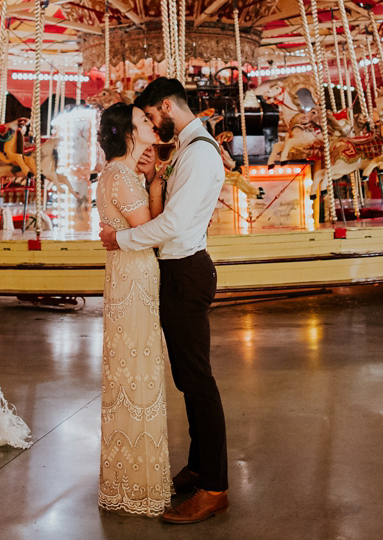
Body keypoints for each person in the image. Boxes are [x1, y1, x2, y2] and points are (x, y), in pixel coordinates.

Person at [100, 77, 229, 524]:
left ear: (167, 105)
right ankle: (198, 466)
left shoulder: (200, 154)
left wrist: (122, 238)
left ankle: (214, 487)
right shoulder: (188, 152)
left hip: (186, 271)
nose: (153, 126)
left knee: (197, 381)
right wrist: (156, 176)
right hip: (176, 271)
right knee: (187, 380)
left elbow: (172, 224)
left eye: (152, 115)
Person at [95, 102, 172, 517]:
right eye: (143, 121)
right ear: (128, 132)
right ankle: (140, 483)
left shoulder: (116, 174)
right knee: (139, 372)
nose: (150, 124)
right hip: (136, 274)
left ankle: (125, 475)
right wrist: (155, 186)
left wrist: (152, 180)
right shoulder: (122, 177)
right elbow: (148, 234)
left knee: (128, 369)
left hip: (123, 273)